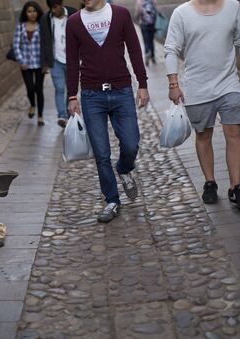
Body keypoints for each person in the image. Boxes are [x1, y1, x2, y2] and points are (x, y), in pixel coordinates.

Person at [164, 0, 240, 208]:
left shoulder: (233, 7)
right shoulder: (181, 13)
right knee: (203, 135)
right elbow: (171, 49)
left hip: (229, 84)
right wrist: (173, 84)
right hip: (198, 87)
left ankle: (236, 187)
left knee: (234, 132)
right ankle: (210, 182)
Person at [66, 0, 149, 223]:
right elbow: (72, 61)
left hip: (121, 90)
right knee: (101, 154)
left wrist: (142, 83)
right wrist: (72, 95)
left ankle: (123, 168)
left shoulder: (121, 14)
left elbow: (134, 49)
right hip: (93, 96)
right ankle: (112, 200)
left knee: (131, 143)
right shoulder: (73, 22)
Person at [40, 0, 78, 128]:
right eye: (51, 8)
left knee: (71, 89)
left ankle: (69, 114)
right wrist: (44, 62)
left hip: (73, 59)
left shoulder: (74, 14)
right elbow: (44, 41)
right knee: (59, 88)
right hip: (55, 60)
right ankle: (62, 116)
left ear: (61, 4)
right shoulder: (46, 19)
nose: (53, 10)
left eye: (55, 7)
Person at [13, 1, 46, 126]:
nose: (32, 14)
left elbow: (46, 45)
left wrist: (46, 63)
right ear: (25, 13)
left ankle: (40, 116)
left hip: (39, 63)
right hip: (25, 63)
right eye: (29, 11)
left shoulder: (42, 26)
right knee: (30, 88)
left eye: (34, 11)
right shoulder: (20, 27)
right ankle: (32, 104)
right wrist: (21, 61)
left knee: (39, 89)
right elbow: (16, 45)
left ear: (38, 12)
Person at [135, 0, 158, 65]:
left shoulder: (139, 1)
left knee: (145, 41)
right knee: (151, 40)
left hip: (143, 24)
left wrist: (138, 19)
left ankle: (147, 53)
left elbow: (138, 13)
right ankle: (153, 56)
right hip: (152, 23)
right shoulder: (153, 1)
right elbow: (156, 11)